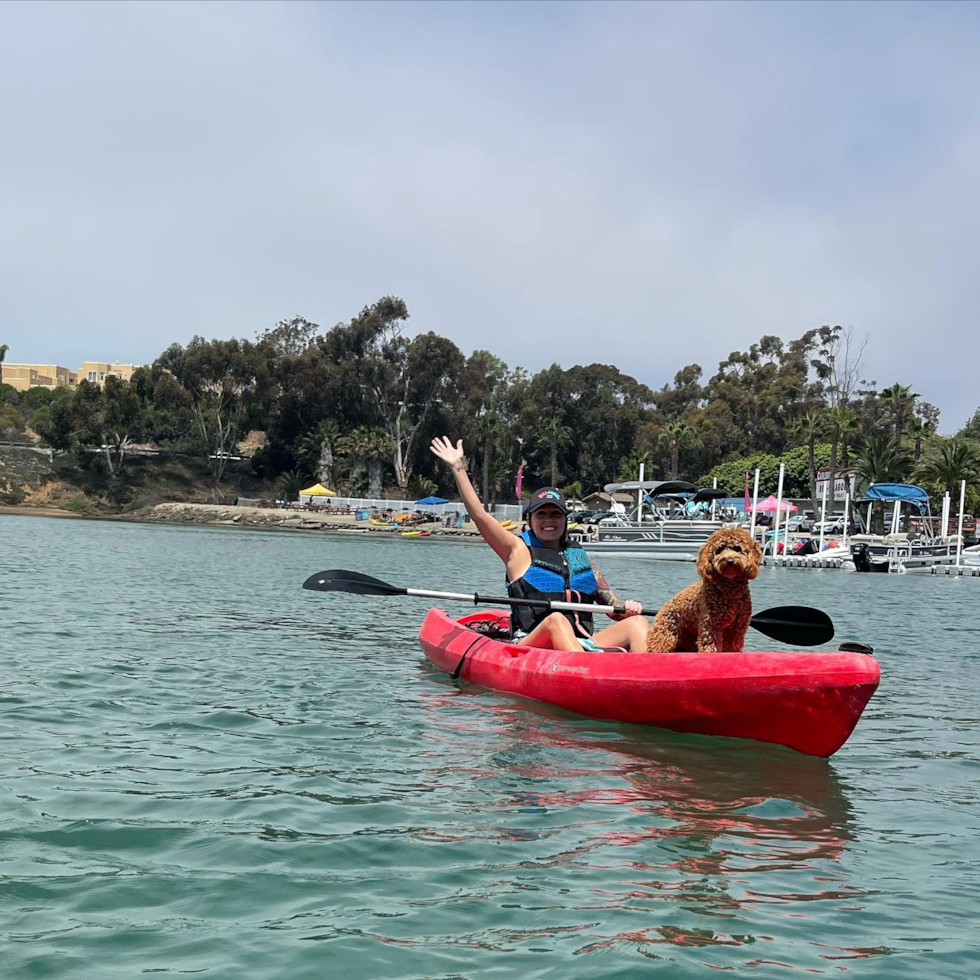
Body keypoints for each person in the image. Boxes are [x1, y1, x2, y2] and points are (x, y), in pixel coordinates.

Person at [430, 436, 649, 652]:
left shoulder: (581, 559)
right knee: (556, 621)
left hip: (581, 642)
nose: (548, 520)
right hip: (531, 644)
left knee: (637, 624)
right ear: (529, 521)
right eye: (541, 514)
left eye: (555, 514)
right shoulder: (517, 551)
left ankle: (645, 679)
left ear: (565, 520)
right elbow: (480, 517)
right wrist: (458, 467)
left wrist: (629, 609)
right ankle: (586, 672)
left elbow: (613, 610)